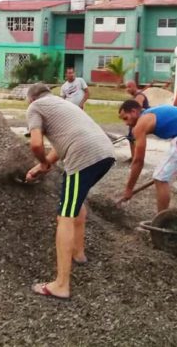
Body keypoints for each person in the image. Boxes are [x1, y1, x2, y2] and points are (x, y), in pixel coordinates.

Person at [25, 83, 114, 300]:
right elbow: (61, 145)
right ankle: (78, 253)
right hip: (105, 154)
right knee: (76, 202)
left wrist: (42, 160)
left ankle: (61, 285)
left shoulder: (35, 107)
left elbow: (36, 145)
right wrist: (41, 167)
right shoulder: (61, 104)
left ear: (31, 98)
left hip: (83, 156)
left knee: (64, 215)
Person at [118, 100, 177, 215]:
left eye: (126, 118)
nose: (126, 123)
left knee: (160, 178)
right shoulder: (152, 113)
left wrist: (129, 189)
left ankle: (161, 221)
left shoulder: (141, 123)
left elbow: (138, 161)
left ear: (134, 111)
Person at [125, 80, 150, 160]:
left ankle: (137, 158)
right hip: (134, 121)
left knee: (135, 138)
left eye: (129, 87)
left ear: (134, 86)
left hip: (139, 120)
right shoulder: (135, 96)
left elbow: (137, 109)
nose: (127, 89)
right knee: (131, 138)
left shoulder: (139, 96)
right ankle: (133, 157)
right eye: (126, 87)